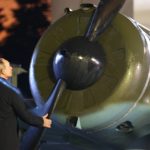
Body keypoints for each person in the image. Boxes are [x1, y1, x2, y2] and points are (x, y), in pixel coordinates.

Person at [0, 58, 52, 150]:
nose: (11, 68)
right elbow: (24, 115)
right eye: (8, 66)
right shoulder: (9, 93)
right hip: (6, 143)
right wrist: (42, 121)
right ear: (2, 70)